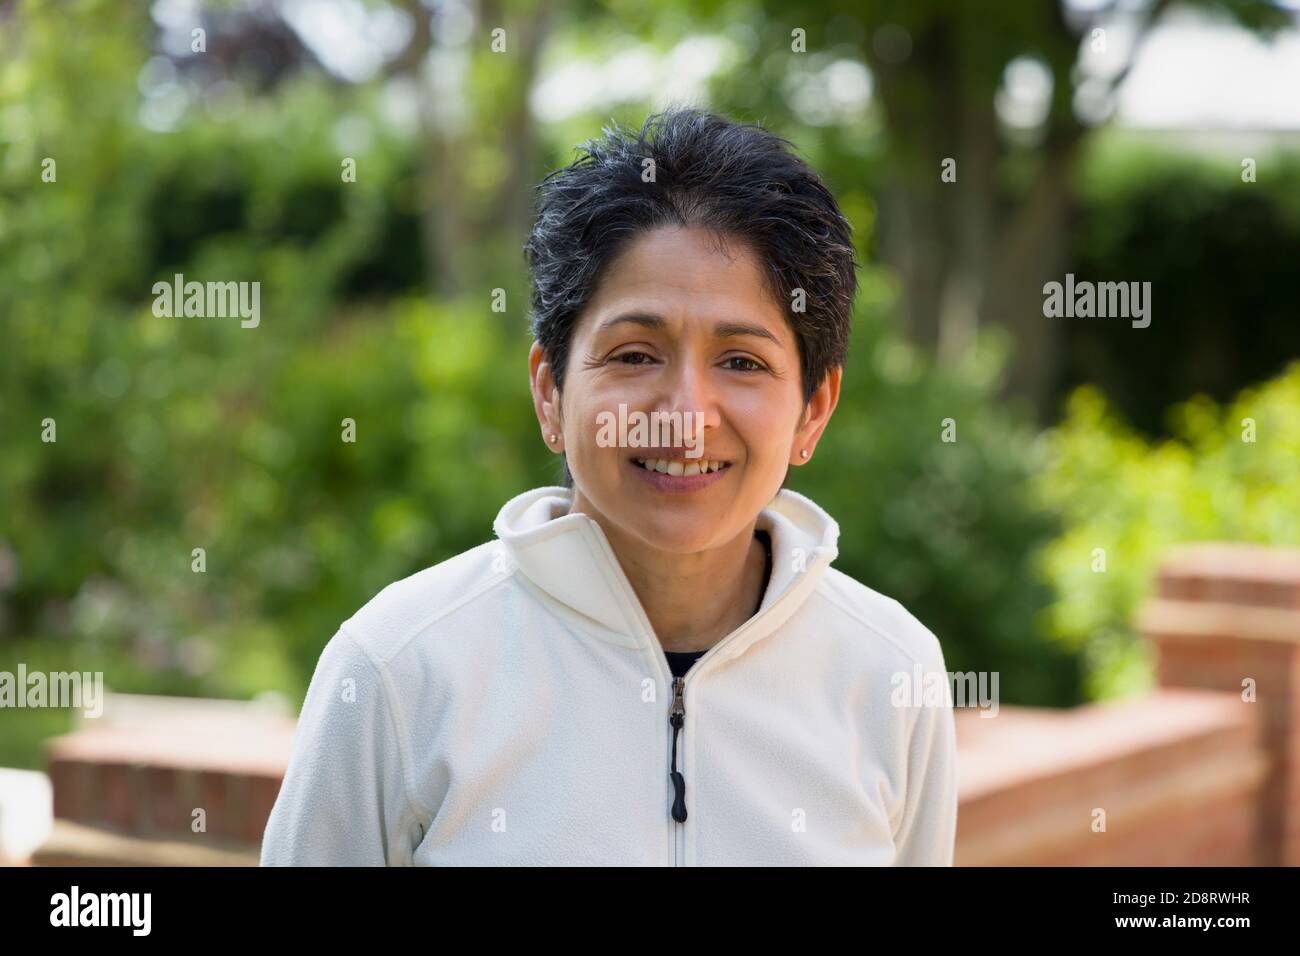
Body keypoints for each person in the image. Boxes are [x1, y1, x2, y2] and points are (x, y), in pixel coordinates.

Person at [260, 107, 958, 866]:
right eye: (633, 354)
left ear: (812, 411)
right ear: (550, 393)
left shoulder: (892, 672)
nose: (685, 417)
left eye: (742, 362)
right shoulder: (396, 671)